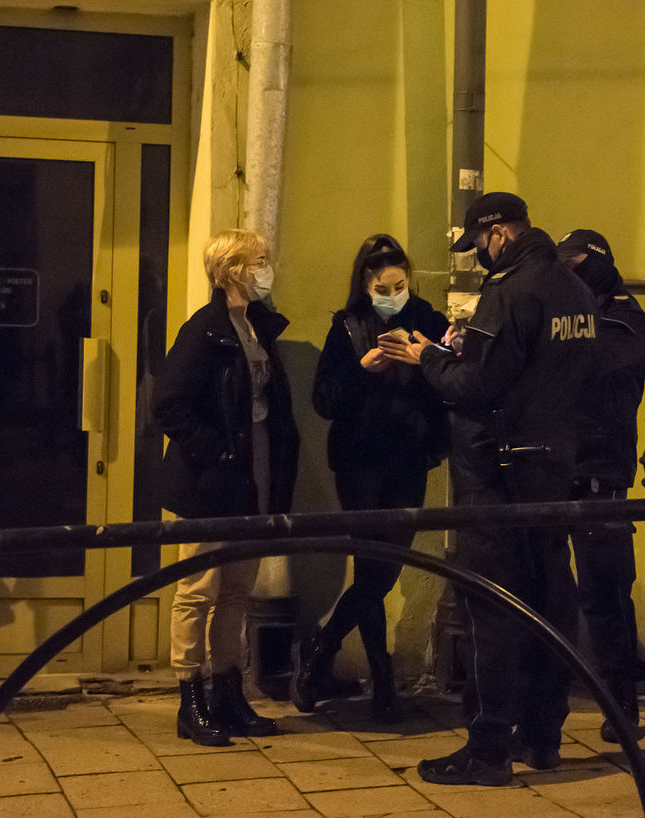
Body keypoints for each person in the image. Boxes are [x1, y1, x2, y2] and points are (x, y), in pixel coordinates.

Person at [378, 192, 598, 785]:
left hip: (496, 473)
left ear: (498, 232)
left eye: (477, 243)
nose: (477, 254)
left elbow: (476, 385)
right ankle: (543, 736)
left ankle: (488, 747)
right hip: (551, 468)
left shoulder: (510, 291)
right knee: (550, 601)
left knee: (492, 608)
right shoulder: (575, 290)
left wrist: (427, 356)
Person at [292, 234, 451, 722]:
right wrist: (364, 369)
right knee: (370, 568)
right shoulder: (347, 327)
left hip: (406, 462)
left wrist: (423, 358)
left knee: (386, 569)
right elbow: (325, 401)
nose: (394, 294)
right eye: (384, 286)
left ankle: (322, 647)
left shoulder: (426, 321)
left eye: (401, 284)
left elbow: (451, 385)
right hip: (360, 465)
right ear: (366, 283)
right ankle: (382, 683)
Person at [153, 229, 300, 746]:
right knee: (196, 590)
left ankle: (229, 693)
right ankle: (189, 699)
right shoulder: (206, 330)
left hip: (252, 477)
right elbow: (169, 403)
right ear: (232, 269)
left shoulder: (257, 326)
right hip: (208, 482)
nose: (266, 268)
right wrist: (215, 449)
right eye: (258, 260)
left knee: (237, 589)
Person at [557, 229, 645, 743]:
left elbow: (588, 364)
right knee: (555, 590)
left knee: (605, 593)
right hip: (557, 469)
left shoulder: (626, 320)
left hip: (600, 473)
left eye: (572, 262)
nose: (565, 270)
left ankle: (621, 700)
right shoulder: (577, 313)